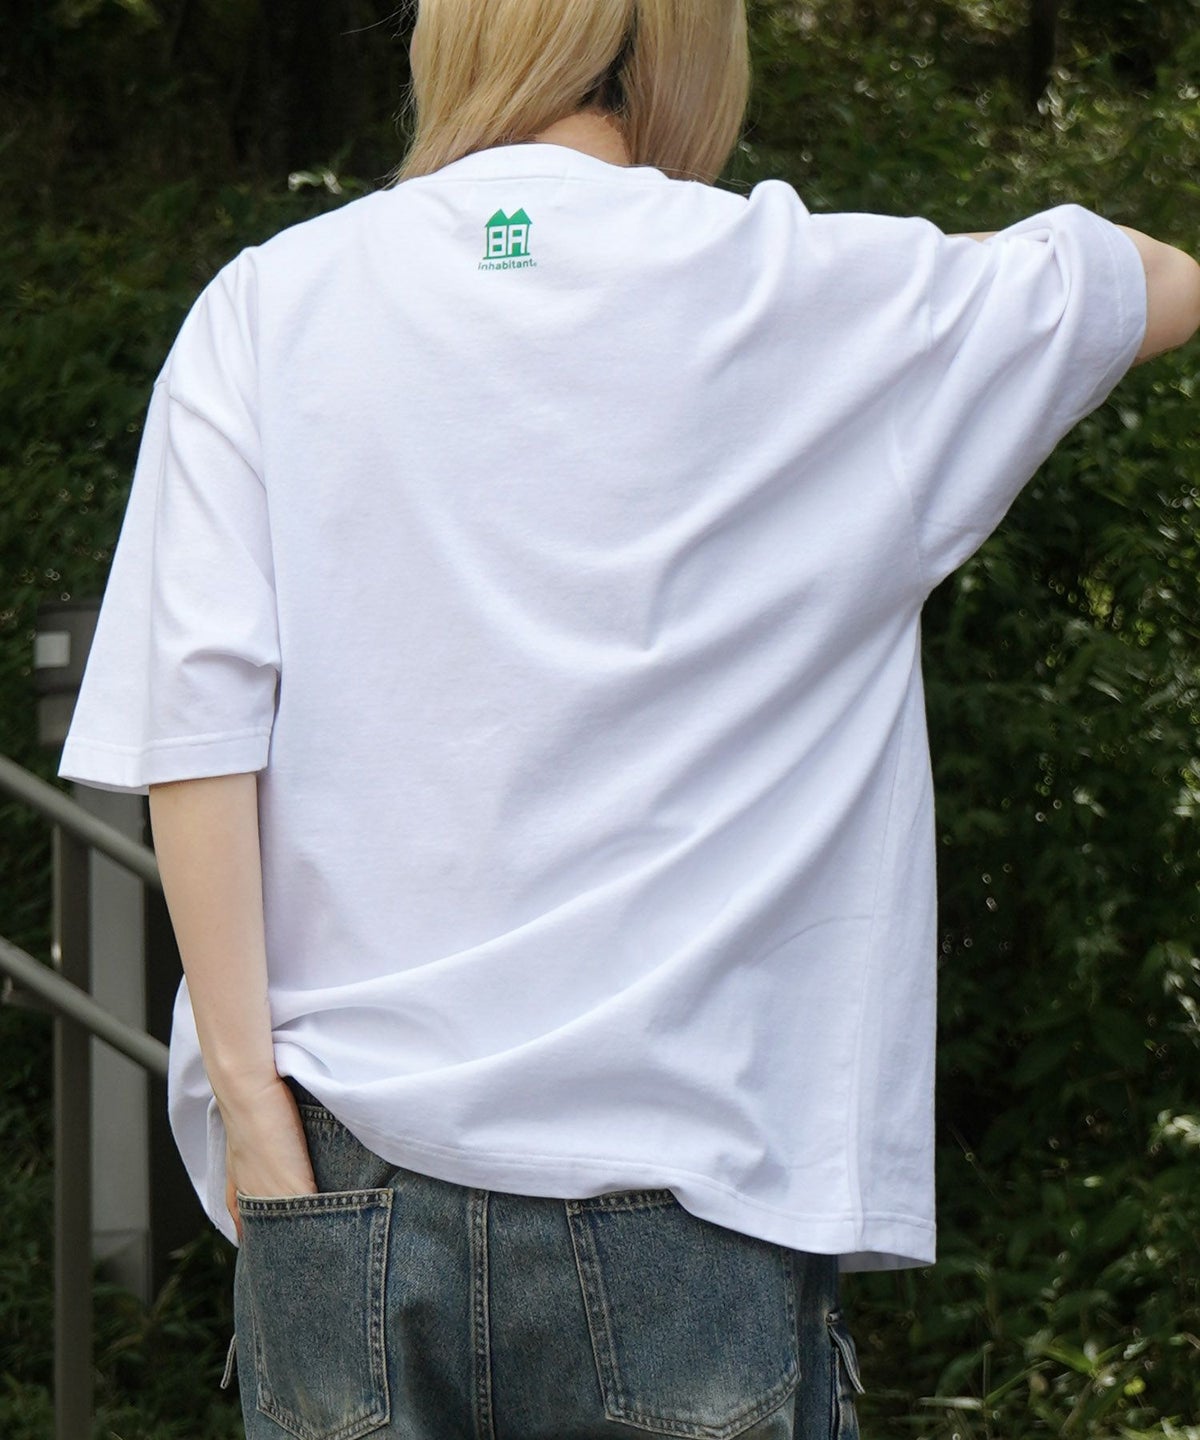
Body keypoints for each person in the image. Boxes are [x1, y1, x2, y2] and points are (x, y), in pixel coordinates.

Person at [57, 2, 1200, 1437]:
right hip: (691, 1188)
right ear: (684, 47)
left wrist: (254, 1123)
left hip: (333, 1170)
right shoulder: (804, 294)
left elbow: (196, 735)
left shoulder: (268, 306)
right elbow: (1154, 280)